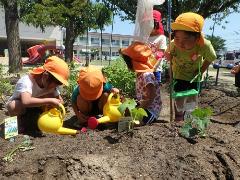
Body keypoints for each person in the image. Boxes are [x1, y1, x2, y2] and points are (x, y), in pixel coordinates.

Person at [164, 12, 217, 122]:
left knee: (191, 99)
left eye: (186, 39)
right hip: (179, 75)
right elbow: (167, 54)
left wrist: (201, 71)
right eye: (177, 38)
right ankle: (178, 119)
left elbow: (211, 57)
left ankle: (189, 120)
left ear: (197, 37)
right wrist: (168, 56)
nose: (180, 43)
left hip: (194, 76)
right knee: (178, 97)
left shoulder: (204, 45)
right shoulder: (174, 44)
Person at [6, 56, 69, 132]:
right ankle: (16, 125)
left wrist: (54, 105)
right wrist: (49, 101)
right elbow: (26, 101)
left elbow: (60, 101)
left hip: (36, 109)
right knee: (14, 106)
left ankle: (36, 120)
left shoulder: (51, 85)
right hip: (21, 108)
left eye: (59, 83)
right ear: (45, 76)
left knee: (50, 97)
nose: (57, 86)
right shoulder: (26, 81)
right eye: (57, 83)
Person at [119, 41, 162, 124]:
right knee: (125, 113)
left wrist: (137, 110)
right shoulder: (140, 74)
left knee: (136, 123)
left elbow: (151, 97)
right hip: (143, 107)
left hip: (151, 110)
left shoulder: (146, 75)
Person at [148, 9, 167, 83]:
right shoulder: (144, 37)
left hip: (155, 69)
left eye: (152, 23)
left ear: (157, 24)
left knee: (154, 91)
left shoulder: (161, 37)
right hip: (144, 69)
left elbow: (161, 54)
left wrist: (153, 68)